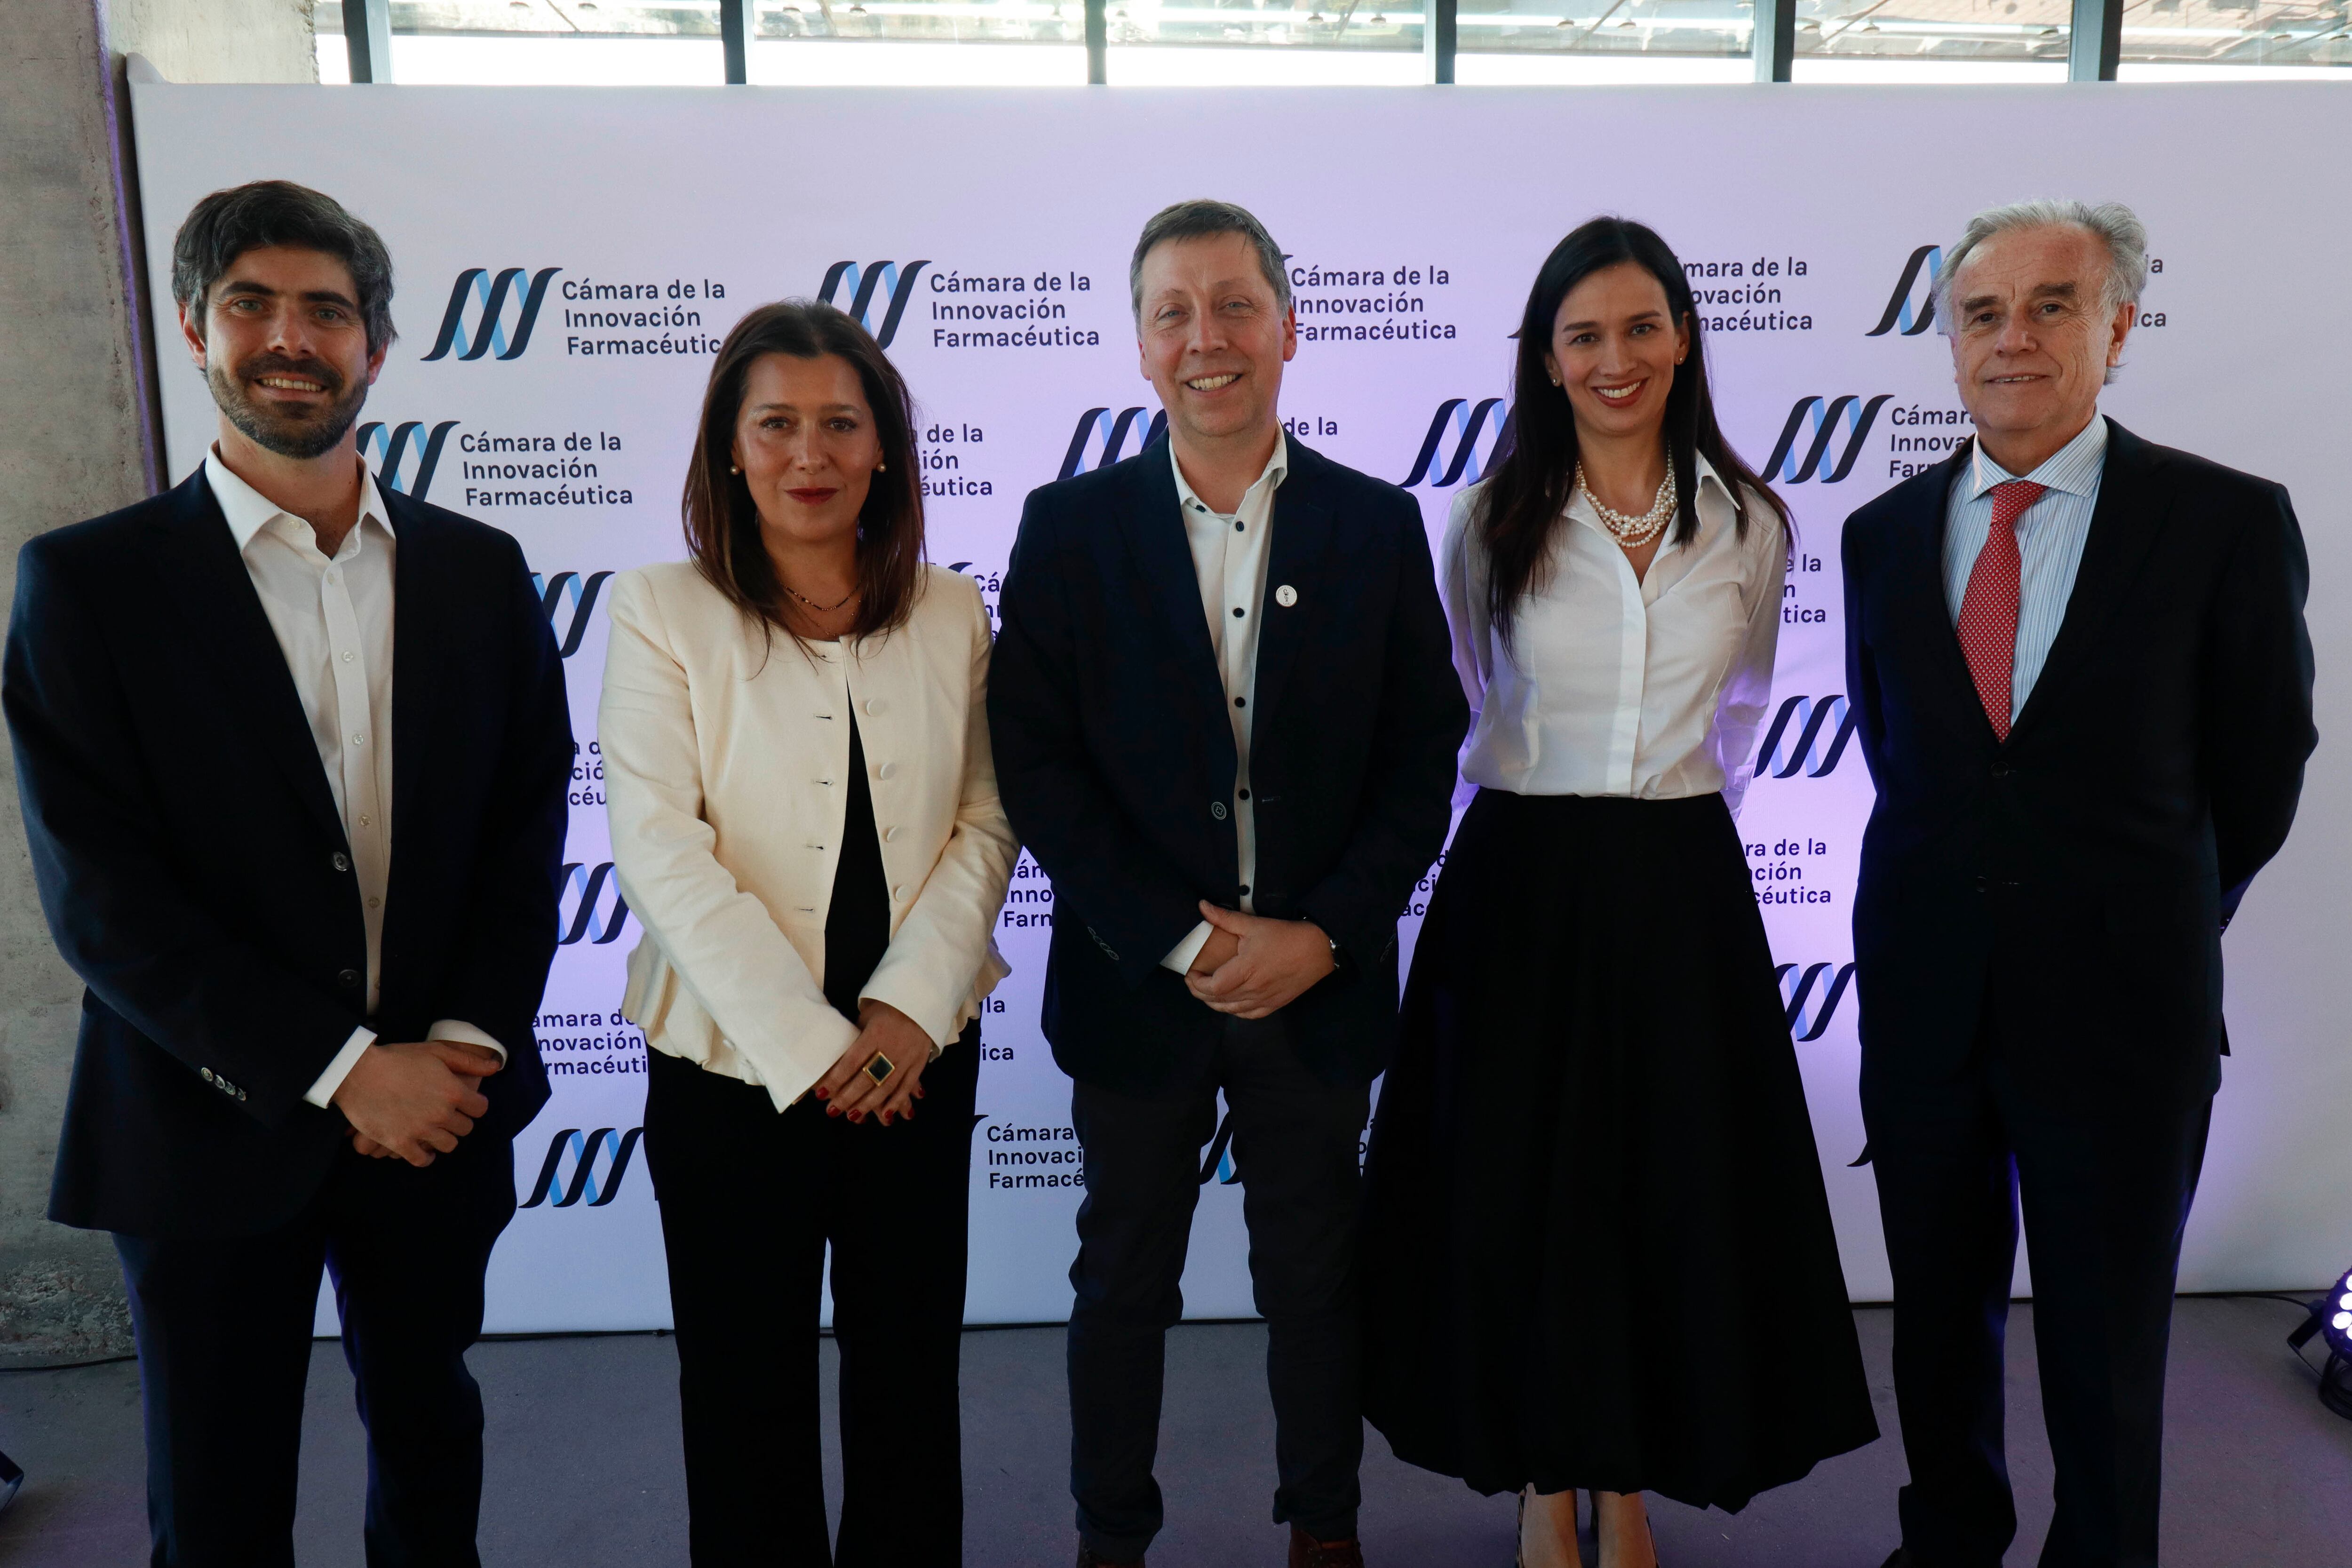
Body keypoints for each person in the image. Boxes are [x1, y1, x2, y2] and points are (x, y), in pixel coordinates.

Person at [2, 180, 572, 1567]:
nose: (289, 338)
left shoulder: (479, 572)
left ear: (377, 345)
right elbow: (104, 900)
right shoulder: (88, 584)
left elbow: (525, 830)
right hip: (201, 1123)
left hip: (442, 1107)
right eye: (251, 303)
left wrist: (454, 1047)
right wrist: (337, 1067)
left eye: (327, 310)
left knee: (433, 1443)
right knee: (216, 1487)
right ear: (197, 328)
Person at [1358, 216, 1880, 1568]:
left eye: (1640, 327)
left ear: (1684, 337)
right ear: (1543, 360)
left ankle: (1632, 1477)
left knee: (1667, 1193)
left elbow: (1751, 704)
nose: (1615, 357)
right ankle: (1544, 1477)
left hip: (1683, 884)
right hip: (1520, 885)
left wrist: (1671, 829)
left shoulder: (1753, 520)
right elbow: (1475, 689)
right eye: (1582, 335)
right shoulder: (1487, 518)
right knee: (1525, 1196)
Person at [988, 199, 1466, 1568]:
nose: (1208, 338)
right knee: (1122, 1279)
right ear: (1141, 348)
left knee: (1315, 1280)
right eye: (1174, 312)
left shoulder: (1378, 527)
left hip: (1313, 990)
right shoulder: (1069, 527)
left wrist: (1322, 931)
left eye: (1235, 305)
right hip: (1144, 989)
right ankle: (1111, 1537)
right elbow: (1037, 760)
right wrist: (1175, 944)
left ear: (1289, 327)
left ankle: (1326, 1531)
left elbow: (1421, 757)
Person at [1843, 200, 2314, 1568]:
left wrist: (2147, 919)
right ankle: (1949, 1540)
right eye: (1983, 314)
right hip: (1930, 1007)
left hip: (2126, 1013)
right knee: (1936, 1319)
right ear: (1948, 343)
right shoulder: (1881, 534)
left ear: (2119, 326)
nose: (2016, 338)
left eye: (2055, 305)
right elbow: (1904, 755)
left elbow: (2263, 764)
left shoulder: (2224, 520)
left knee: (2110, 1338)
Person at [602, 300, 1017, 1565]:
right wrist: (810, 1044)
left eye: (842, 424)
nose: (810, 454)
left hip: (916, 1068)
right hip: (730, 1074)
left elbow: (986, 822)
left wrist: (903, 1013)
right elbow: (662, 850)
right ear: (730, 447)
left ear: (885, 448)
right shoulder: (660, 608)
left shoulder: (950, 609)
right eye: (775, 423)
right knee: (743, 1401)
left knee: (908, 1392)